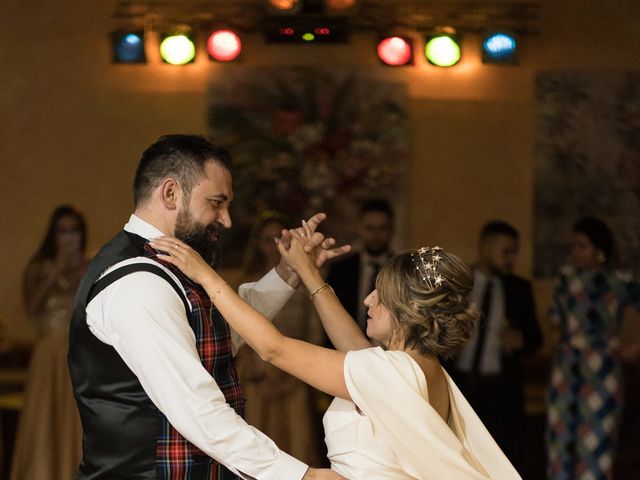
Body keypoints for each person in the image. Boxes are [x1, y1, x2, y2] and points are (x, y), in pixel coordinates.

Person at [67, 135, 347, 480]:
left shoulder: (171, 260)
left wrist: (289, 272)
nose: (226, 220)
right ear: (170, 194)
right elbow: (196, 408)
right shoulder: (137, 283)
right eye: (217, 203)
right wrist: (300, 476)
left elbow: (217, 331)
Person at [150, 223, 522, 479]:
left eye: (380, 295)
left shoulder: (388, 371)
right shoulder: (419, 367)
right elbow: (358, 351)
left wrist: (205, 276)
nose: (367, 300)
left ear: (407, 313)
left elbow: (273, 348)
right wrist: (308, 273)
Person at [546, 217, 640, 480]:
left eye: (582, 245)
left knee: (597, 442)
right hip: (566, 369)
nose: (575, 251)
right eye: (573, 245)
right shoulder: (565, 278)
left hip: (603, 370)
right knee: (560, 441)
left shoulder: (621, 280)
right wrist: (557, 337)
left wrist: (635, 348)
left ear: (599, 250)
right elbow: (555, 318)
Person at [449, 220, 542, 470]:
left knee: (500, 461)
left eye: (515, 252)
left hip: (501, 390)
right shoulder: (459, 282)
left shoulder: (519, 288)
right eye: (506, 251)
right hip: (459, 384)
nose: (511, 258)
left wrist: (521, 340)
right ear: (486, 248)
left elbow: (535, 339)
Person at [234, 211, 324, 465]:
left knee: (297, 442)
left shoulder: (306, 283)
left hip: (296, 373)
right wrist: (256, 370)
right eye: (267, 239)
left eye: (279, 239)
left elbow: (314, 332)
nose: (273, 245)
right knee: (255, 442)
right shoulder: (245, 283)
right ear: (257, 243)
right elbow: (237, 333)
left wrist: (296, 375)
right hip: (256, 375)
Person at [11, 205, 87, 480]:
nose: (68, 237)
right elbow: (31, 308)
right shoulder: (39, 269)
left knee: (75, 421)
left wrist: (80, 271)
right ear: (52, 234)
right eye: (62, 231)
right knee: (44, 420)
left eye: (74, 230)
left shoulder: (89, 268)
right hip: (47, 355)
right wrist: (54, 273)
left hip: (79, 356)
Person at [326, 198, 395, 333]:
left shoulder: (399, 269)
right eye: (369, 228)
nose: (375, 235)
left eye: (382, 228)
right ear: (359, 228)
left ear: (391, 230)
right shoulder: (340, 269)